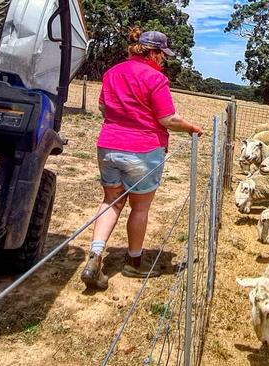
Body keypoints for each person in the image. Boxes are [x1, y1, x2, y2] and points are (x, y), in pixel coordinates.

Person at [80, 27, 203, 289]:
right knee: (140, 207)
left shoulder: (112, 72)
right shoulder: (155, 79)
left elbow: (103, 107)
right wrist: (192, 127)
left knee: (111, 201)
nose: (164, 60)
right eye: (162, 54)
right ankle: (134, 262)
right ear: (154, 52)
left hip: (108, 145)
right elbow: (167, 118)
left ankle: (95, 255)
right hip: (143, 149)